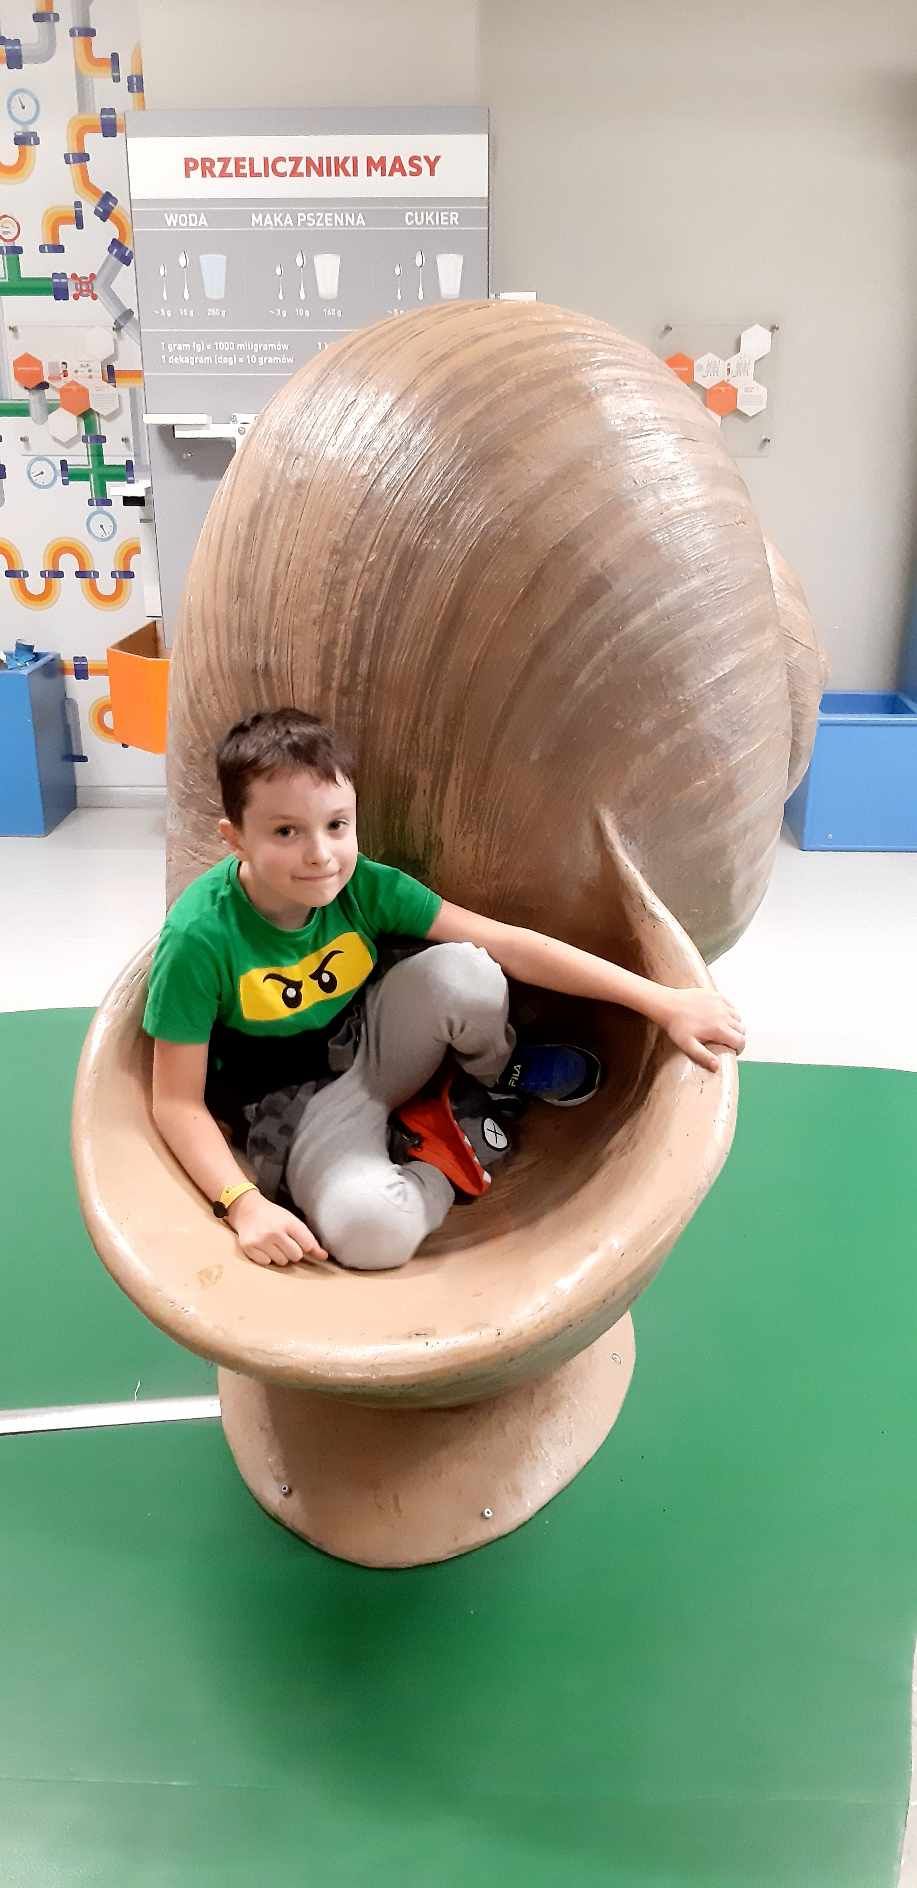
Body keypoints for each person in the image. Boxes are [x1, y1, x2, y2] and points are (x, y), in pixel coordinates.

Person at [145, 709, 745, 1272]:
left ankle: (497, 1075)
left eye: (336, 825)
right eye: (286, 831)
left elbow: (508, 944)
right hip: (301, 1105)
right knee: (371, 1233)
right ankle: (441, 1161)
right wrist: (243, 1204)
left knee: (468, 970)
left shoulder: (363, 886)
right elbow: (175, 1102)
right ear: (235, 838)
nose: (321, 855)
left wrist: (662, 1001)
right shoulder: (200, 937)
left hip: (372, 1041)